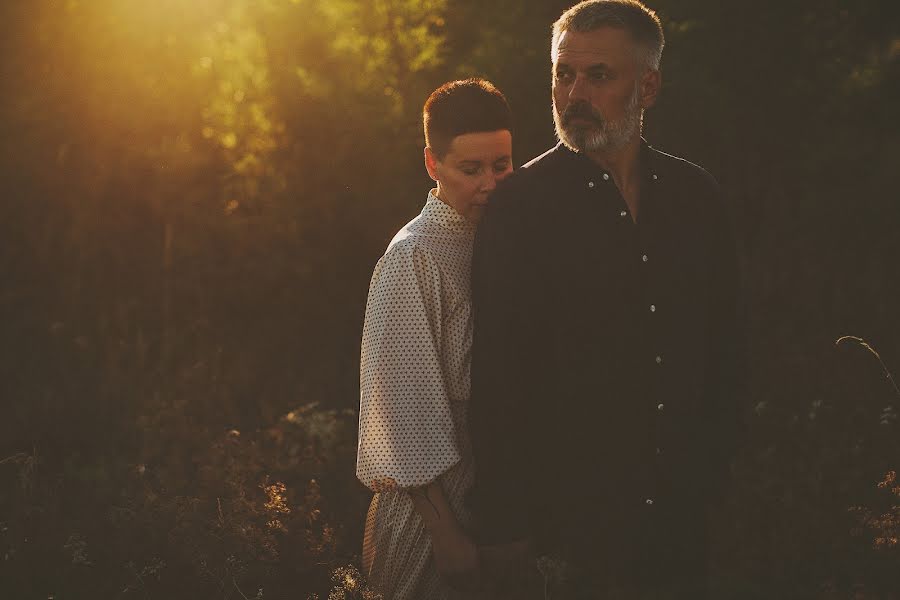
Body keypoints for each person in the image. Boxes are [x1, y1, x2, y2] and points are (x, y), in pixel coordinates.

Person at [467, 1, 744, 598]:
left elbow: (725, 349)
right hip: (568, 530)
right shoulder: (520, 208)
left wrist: (717, 479)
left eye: (599, 76)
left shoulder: (696, 199)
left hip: (682, 520)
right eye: (563, 74)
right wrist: (505, 527)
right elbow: (498, 376)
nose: (574, 93)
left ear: (647, 87)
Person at [356, 78, 513, 599]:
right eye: (471, 170)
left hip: (492, 506)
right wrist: (445, 534)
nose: (490, 183)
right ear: (432, 164)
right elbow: (401, 411)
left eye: (501, 165)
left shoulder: (496, 237)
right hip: (431, 516)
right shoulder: (412, 256)